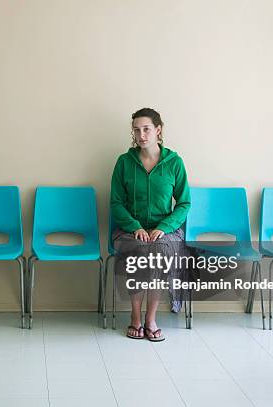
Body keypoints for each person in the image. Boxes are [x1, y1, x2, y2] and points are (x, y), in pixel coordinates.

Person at [110, 107, 191, 341]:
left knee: (160, 252)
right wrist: (135, 227)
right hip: (130, 229)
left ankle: (150, 319)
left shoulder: (174, 163)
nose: (141, 135)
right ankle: (135, 317)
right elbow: (116, 202)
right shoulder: (124, 162)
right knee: (138, 251)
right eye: (137, 130)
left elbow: (184, 203)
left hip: (165, 230)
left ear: (158, 130)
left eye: (146, 129)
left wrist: (163, 228)